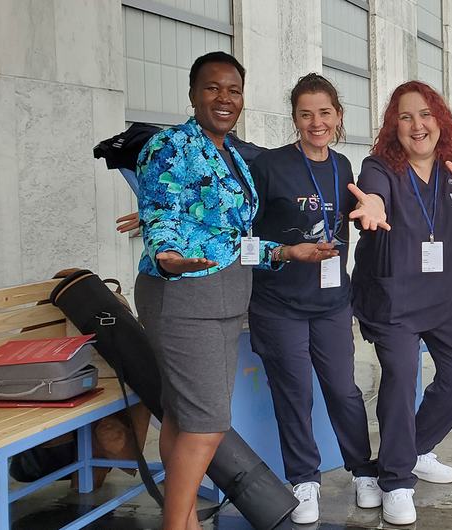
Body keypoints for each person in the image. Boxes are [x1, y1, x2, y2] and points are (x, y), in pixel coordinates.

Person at [133, 51, 337, 530]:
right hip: (183, 294)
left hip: (226, 297)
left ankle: (185, 521)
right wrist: (167, 254)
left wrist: (287, 253)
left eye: (234, 90)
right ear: (192, 94)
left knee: (183, 416)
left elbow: (236, 241)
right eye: (212, 87)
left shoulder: (237, 158)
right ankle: (175, 523)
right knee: (207, 423)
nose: (224, 98)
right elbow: (158, 212)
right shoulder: (169, 146)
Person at [348, 80, 452, 526]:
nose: (417, 125)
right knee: (402, 374)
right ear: (395, 124)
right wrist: (372, 208)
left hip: (447, 296)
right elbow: (373, 194)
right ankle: (394, 481)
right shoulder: (380, 166)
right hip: (394, 296)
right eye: (406, 116)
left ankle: (411, 450)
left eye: (425, 114)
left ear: (440, 120)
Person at [245, 73, 377, 524]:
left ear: (338, 117)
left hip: (332, 303)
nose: (315, 122)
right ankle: (304, 480)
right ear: (295, 118)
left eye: (324, 113)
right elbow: (240, 236)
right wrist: (285, 253)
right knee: (294, 394)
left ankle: (362, 470)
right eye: (306, 114)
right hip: (278, 303)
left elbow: (356, 217)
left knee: (344, 390)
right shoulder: (269, 166)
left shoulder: (343, 166)